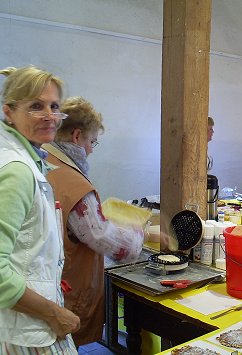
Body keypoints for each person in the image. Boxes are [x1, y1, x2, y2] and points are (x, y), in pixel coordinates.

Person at [43, 97, 144, 347]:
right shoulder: (73, 182)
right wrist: (139, 235)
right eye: (92, 142)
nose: (91, 150)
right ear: (77, 136)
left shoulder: (46, 164)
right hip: (66, 290)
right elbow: (100, 236)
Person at [0, 66, 80, 353]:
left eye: (54, 106)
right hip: (24, 330)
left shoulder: (27, 159)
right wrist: (53, 313)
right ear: (9, 112)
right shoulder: (17, 171)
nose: (49, 116)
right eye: (36, 106)